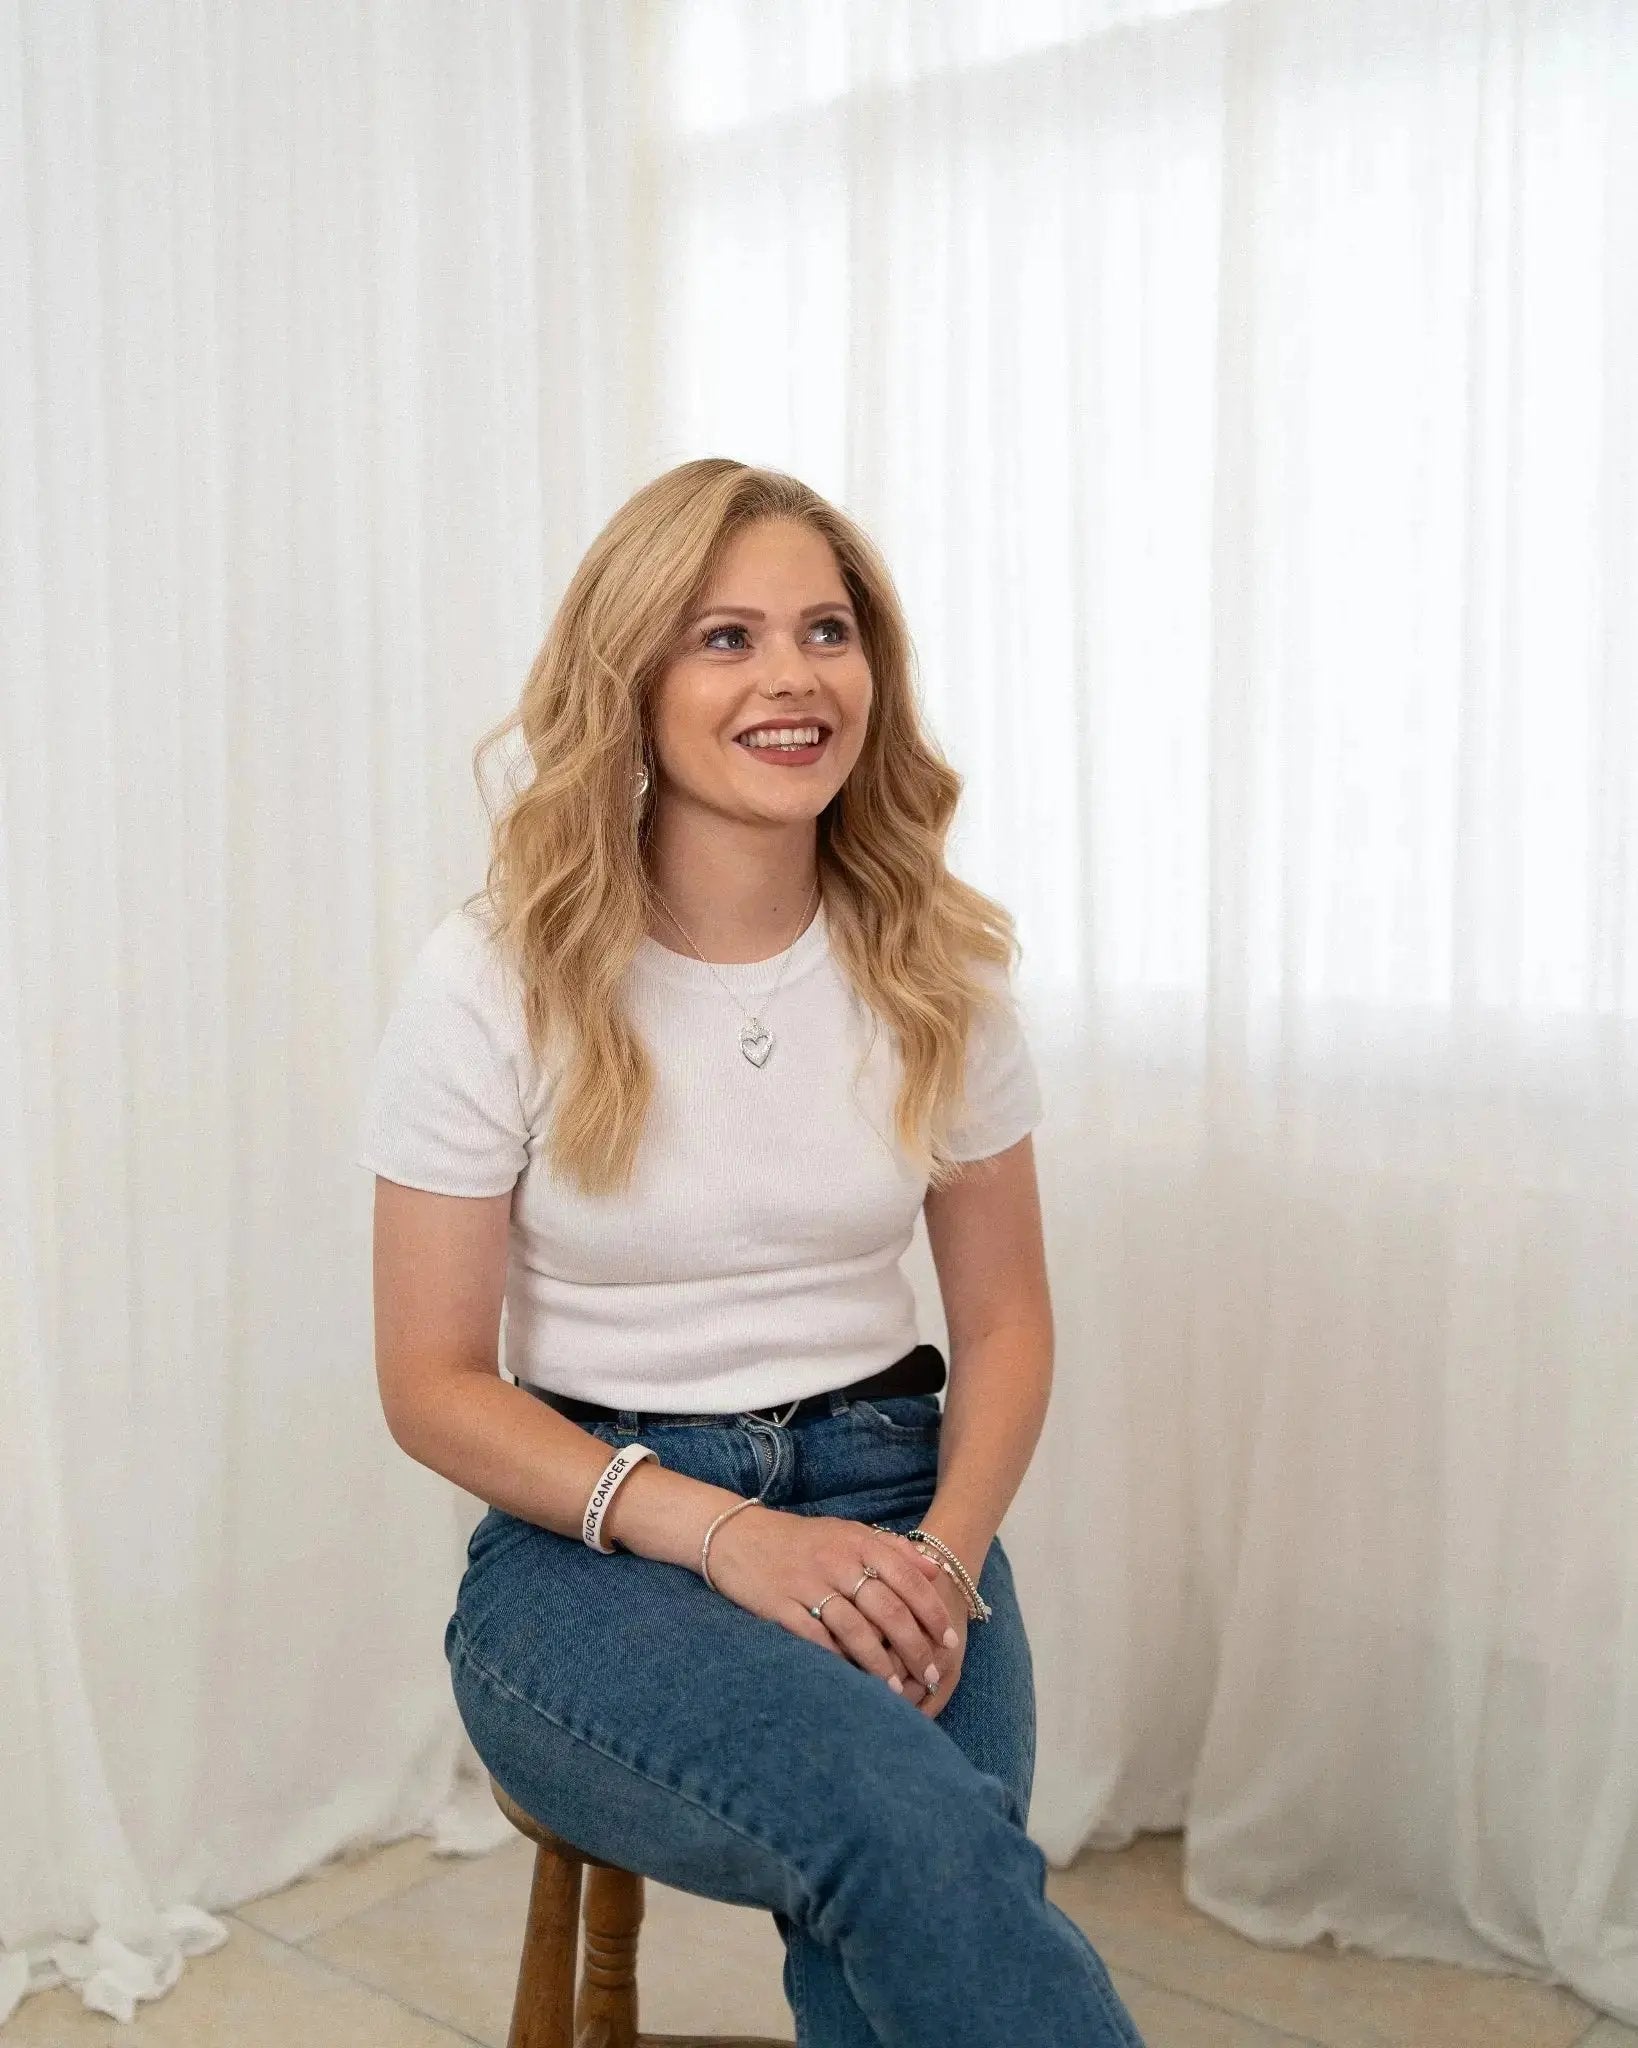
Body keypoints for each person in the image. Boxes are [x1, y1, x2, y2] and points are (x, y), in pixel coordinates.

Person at [356, 458, 1146, 2046]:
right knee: (915, 1836)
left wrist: (937, 1557)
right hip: (592, 1538)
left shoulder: (935, 961)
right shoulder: (492, 975)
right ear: (629, 679)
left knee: (914, 1871)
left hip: (894, 1499)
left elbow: (1004, 1326)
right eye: (724, 637)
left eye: (824, 632)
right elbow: (432, 1385)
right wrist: (727, 1537)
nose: (790, 677)